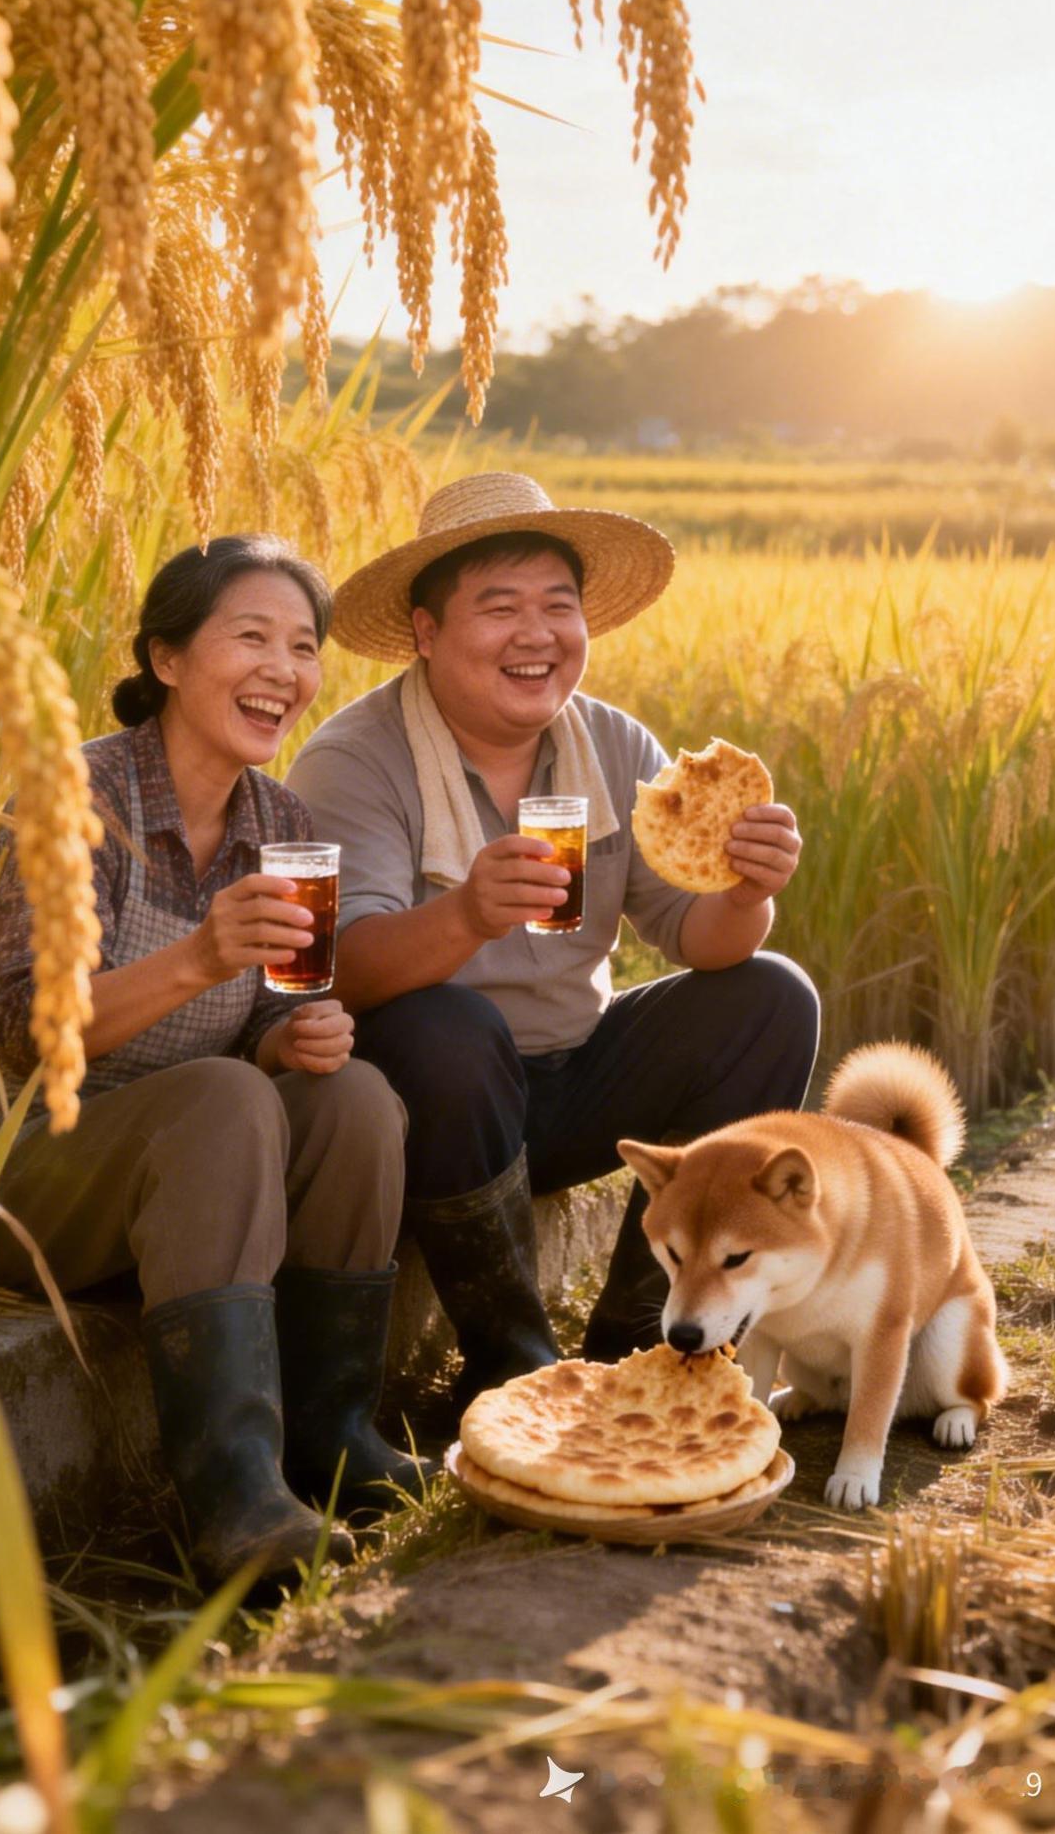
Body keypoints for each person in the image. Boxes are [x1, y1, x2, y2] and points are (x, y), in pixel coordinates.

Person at [0, 535, 425, 1591]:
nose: (282, 671)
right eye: (250, 637)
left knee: (356, 1101)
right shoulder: (73, 796)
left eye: (302, 646)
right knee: (221, 1098)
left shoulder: (282, 822)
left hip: (185, 1177)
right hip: (10, 1171)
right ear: (165, 656)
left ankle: (330, 1436)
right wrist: (201, 956)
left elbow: (277, 1023)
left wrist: (299, 1035)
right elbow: (24, 1026)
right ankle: (232, 1496)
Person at [286, 472, 820, 1414]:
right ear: (426, 631)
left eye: (557, 606)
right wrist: (466, 915)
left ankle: (644, 1346)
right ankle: (511, 1358)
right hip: (433, 1115)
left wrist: (746, 888)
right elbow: (342, 969)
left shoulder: (610, 746)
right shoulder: (356, 757)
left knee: (772, 993)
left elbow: (700, 939)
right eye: (500, 607)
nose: (537, 634)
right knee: (445, 1024)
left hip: (571, 1080)